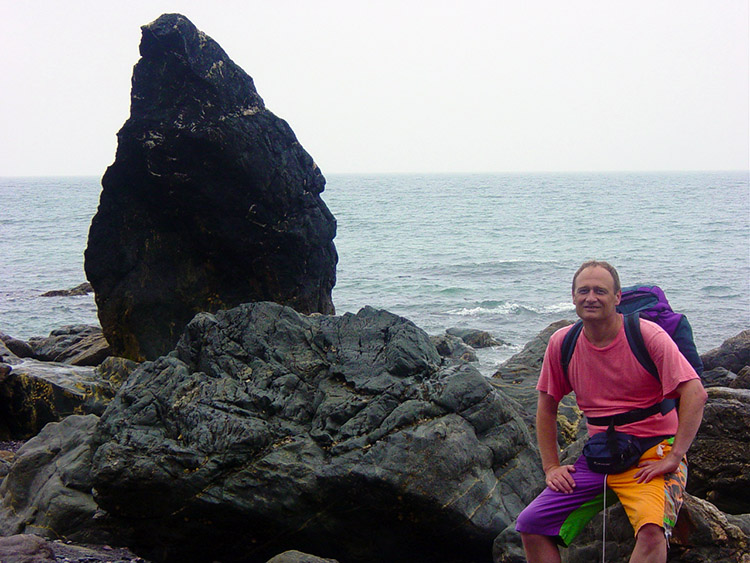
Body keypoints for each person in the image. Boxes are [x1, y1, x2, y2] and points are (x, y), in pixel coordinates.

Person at [515, 260, 707, 563]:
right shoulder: (562, 342)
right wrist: (551, 467)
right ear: (573, 296)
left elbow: (695, 393)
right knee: (531, 524)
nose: (591, 297)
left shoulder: (648, 336)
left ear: (617, 298)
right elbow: (546, 406)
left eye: (600, 291)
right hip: (601, 454)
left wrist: (674, 455)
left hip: (653, 453)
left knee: (651, 532)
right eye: (584, 291)